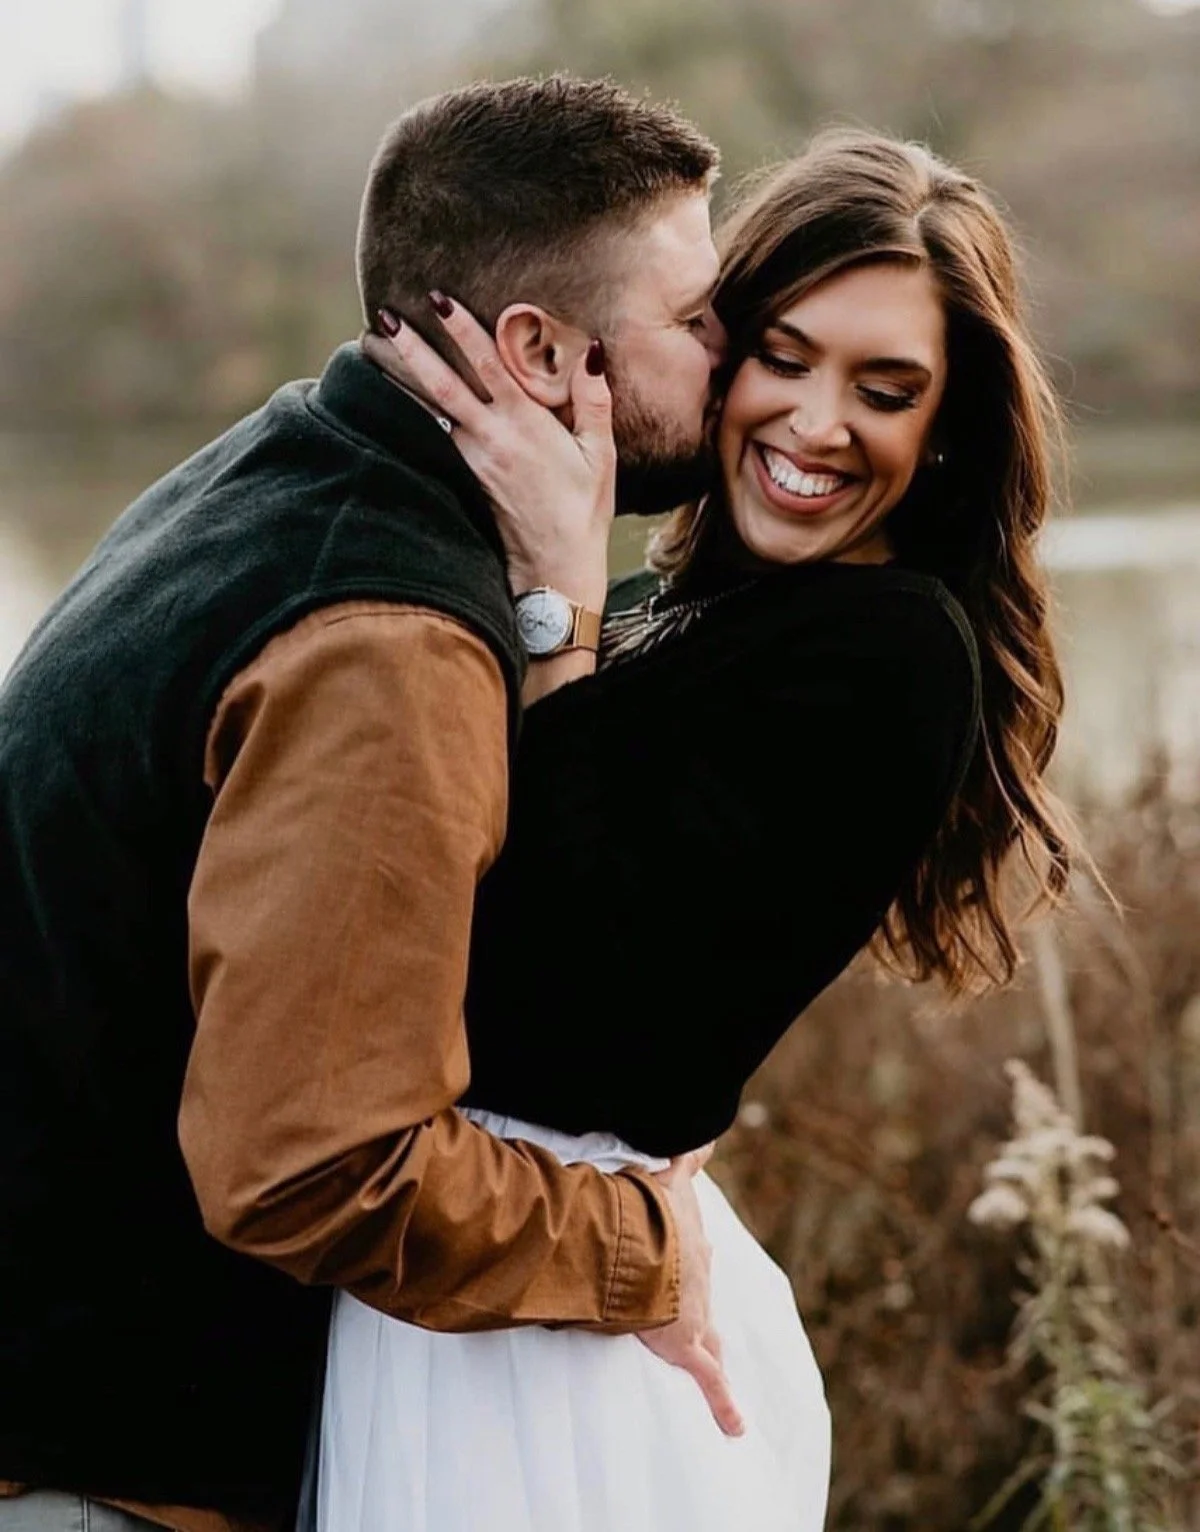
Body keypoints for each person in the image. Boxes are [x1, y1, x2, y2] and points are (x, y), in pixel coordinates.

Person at [0, 76, 741, 1532]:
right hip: (108, 1477)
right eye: (701, 321)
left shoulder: (285, 472)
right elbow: (315, 1164)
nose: (735, 360)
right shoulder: (383, 644)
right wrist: (646, 1237)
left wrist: (559, 616)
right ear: (540, 351)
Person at [334, 128, 1077, 1530]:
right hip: (482, 1276)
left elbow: (559, 985)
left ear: (946, 428)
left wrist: (554, 598)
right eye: (783, 357)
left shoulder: (891, 657)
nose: (813, 424)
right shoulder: (688, 604)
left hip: (550, 1347)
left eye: (887, 389)